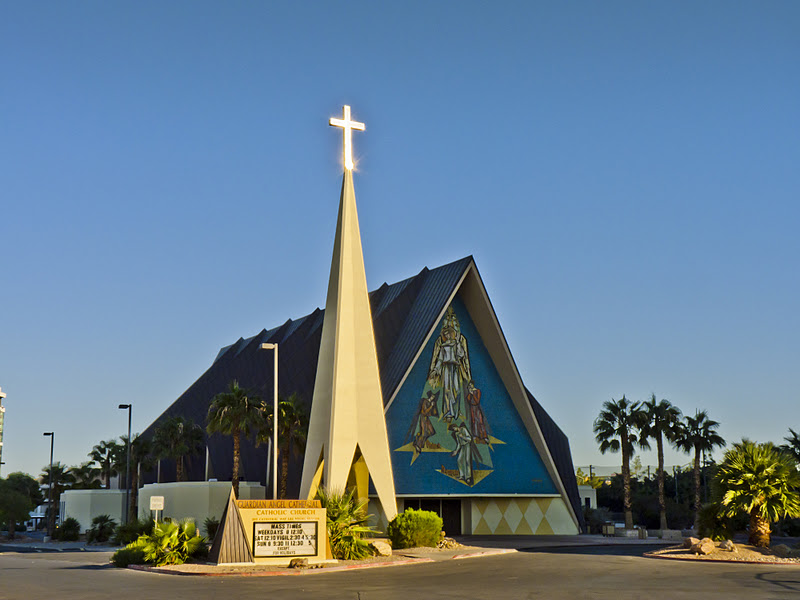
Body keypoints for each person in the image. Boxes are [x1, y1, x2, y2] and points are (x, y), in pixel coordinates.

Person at [428, 307, 471, 422]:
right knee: (447, 390)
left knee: (456, 389)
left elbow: (462, 355)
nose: (447, 336)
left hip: (455, 367)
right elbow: (440, 360)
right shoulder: (443, 346)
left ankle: (456, 411)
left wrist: (457, 344)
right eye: (446, 334)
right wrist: (435, 370)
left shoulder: (456, 344)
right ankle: (448, 413)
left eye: (449, 334)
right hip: (446, 367)